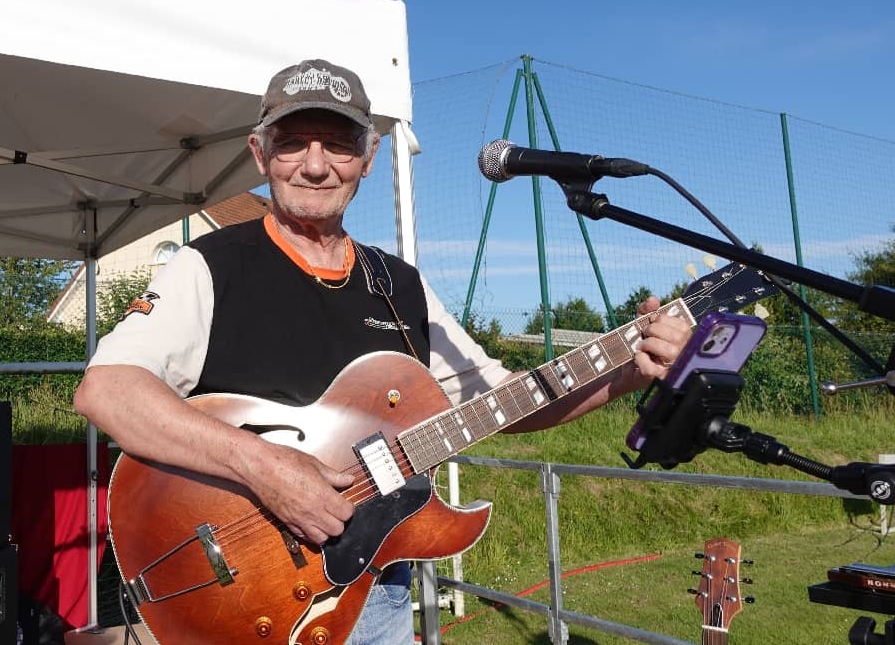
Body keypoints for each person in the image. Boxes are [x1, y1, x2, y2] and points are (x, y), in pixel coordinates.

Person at [72, 59, 692, 644]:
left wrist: (630, 371)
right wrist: (266, 467)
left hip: (375, 597)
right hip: (237, 595)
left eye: (338, 144)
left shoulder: (400, 285)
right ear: (260, 154)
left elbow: (505, 400)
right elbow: (107, 391)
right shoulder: (208, 265)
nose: (315, 165)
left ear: (367, 159)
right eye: (293, 142)